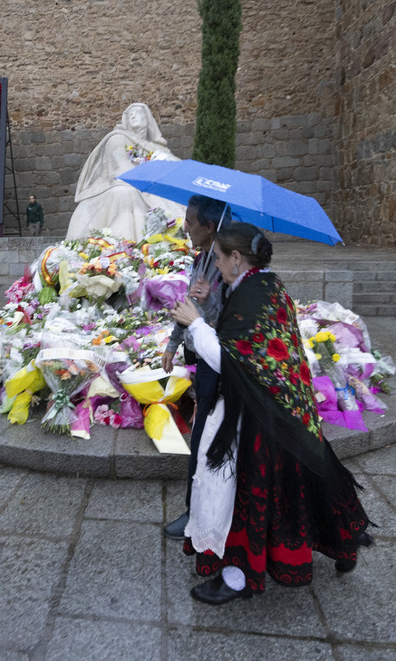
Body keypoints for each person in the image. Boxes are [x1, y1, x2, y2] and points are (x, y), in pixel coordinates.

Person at [170, 222, 371, 605]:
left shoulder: (252, 295)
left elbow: (231, 358)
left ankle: (237, 576)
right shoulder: (262, 283)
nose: (214, 263)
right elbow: (240, 336)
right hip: (284, 404)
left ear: (235, 257)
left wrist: (194, 323)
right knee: (305, 478)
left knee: (246, 493)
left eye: (218, 257)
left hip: (260, 416)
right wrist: (212, 299)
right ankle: (345, 540)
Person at [160, 196, 227, 541]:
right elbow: (189, 305)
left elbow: (225, 320)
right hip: (197, 356)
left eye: (190, 221)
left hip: (217, 364)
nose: (184, 227)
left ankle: (193, 513)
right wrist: (173, 343)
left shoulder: (227, 263)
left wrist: (207, 302)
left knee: (203, 438)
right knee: (201, 435)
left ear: (210, 226)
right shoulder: (202, 259)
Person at [66, 103, 184, 240]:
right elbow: (120, 170)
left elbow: (176, 166)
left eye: (137, 112)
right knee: (126, 192)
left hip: (154, 186)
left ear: (147, 118)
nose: (133, 115)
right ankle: (130, 241)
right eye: (130, 114)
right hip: (121, 184)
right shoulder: (117, 139)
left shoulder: (157, 148)